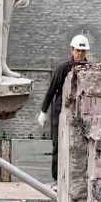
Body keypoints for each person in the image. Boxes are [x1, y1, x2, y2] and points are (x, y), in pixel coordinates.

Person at [38, 35, 90, 191]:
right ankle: (56, 180)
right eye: (78, 50)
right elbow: (51, 91)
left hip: (80, 114)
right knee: (58, 147)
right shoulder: (63, 69)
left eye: (83, 51)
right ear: (72, 50)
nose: (80, 53)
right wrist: (43, 111)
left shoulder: (90, 70)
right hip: (60, 112)